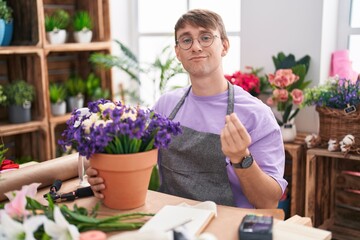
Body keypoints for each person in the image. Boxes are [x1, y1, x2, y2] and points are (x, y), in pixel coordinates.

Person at [87, 9, 287, 209]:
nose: (196, 47)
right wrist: (103, 175)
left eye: (206, 37)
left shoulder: (256, 115)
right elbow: (131, 157)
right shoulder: (166, 106)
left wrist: (241, 158)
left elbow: (268, 202)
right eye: (186, 40)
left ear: (224, 46)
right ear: (178, 52)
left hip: (229, 225)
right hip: (170, 219)